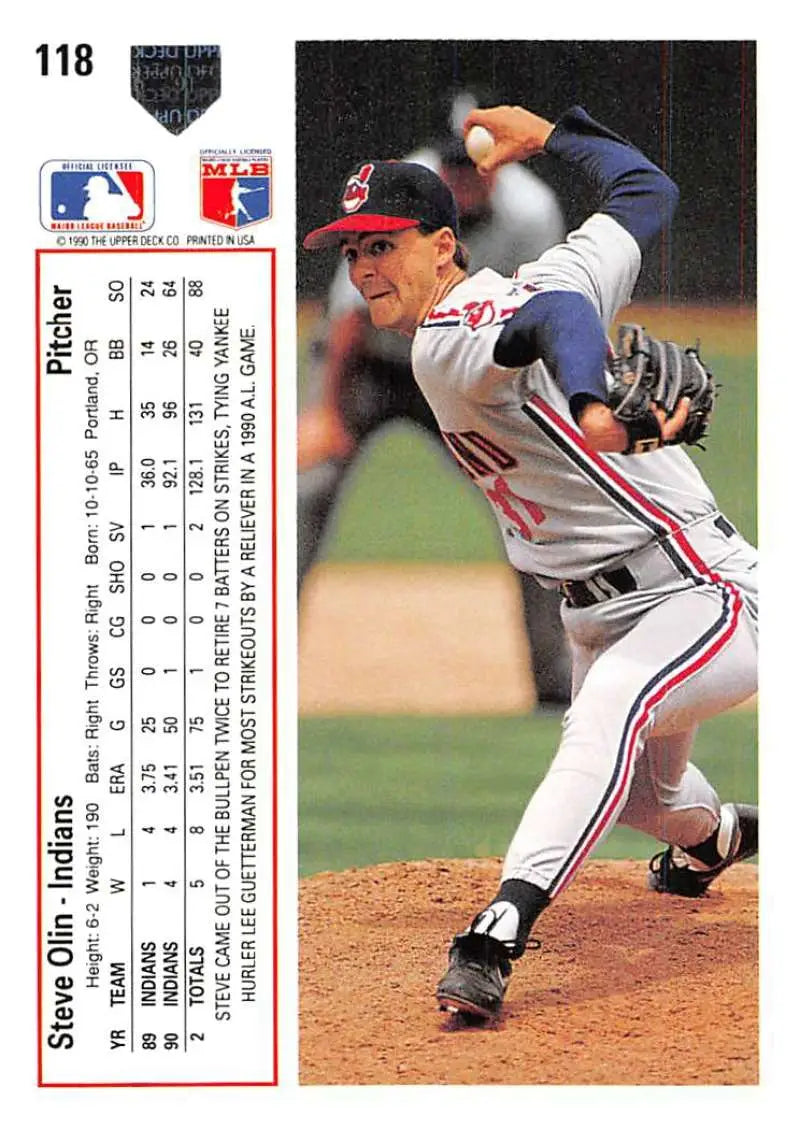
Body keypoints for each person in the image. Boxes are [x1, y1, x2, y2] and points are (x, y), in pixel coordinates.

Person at [302, 103, 758, 1021]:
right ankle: (724, 838)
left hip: (701, 588)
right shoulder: (507, 299)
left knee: (598, 724)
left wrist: (591, 401)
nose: (362, 268)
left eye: (382, 245)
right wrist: (555, 138)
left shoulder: (453, 332)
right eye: (351, 252)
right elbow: (639, 193)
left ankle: (495, 936)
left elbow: (550, 314)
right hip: (593, 610)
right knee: (643, 801)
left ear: (442, 245)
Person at [298, 121, 572, 706]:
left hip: (457, 364)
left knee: (531, 503)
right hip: (369, 363)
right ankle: (245, 672)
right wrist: (327, 414)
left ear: (496, 169)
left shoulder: (532, 211)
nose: (464, 180)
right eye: (453, 169)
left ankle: (560, 685)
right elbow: (349, 316)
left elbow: (547, 311)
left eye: (475, 170)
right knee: (304, 487)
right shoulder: (399, 196)